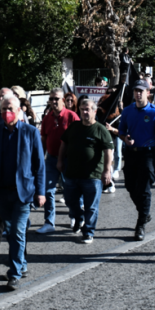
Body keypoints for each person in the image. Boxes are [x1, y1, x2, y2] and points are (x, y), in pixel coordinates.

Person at [0, 94, 44, 290]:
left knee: (16, 231)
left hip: (22, 193)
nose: (7, 112)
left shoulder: (30, 132)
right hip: (1, 193)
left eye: (10, 109)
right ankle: (21, 264)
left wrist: (41, 191)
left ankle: (14, 273)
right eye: (3, 109)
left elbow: (39, 165)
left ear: (19, 110)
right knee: (12, 232)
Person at [57, 97, 114, 244]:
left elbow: (108, 151)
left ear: (94, 111)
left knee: (91, 207)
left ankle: (88, 232)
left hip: (92, 175)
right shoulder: (74, 127)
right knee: (69, 201)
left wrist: (107, 171)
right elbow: (64, 143)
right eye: (82, 109)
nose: (84, 112)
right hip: (72, 173)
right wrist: (60, 160)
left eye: (87, 109)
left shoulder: (100, 129)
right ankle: (78, 217)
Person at [117, 80, 155, 241]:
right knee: (130, 186)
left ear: (148, 93)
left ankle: (140, 224)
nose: (138, 94)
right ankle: (145, 213)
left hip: (148, 154)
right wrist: (125, 138)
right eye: (136, 91)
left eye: (141, 91)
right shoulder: (127, 111)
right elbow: (121, 131)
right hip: (131, 153)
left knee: (144, 189)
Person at [39, 88, 78, 233]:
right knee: (48, 190)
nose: (53, 101)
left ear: (63, 100)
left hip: (69, 160)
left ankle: (75, 216)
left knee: (70, 191)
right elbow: (43, 139)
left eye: (56, 99)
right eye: (51, 99)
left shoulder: (72, 116)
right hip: (51, 159)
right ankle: (49, 222)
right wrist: (40, 160)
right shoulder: (47, 118)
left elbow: (79, 138)